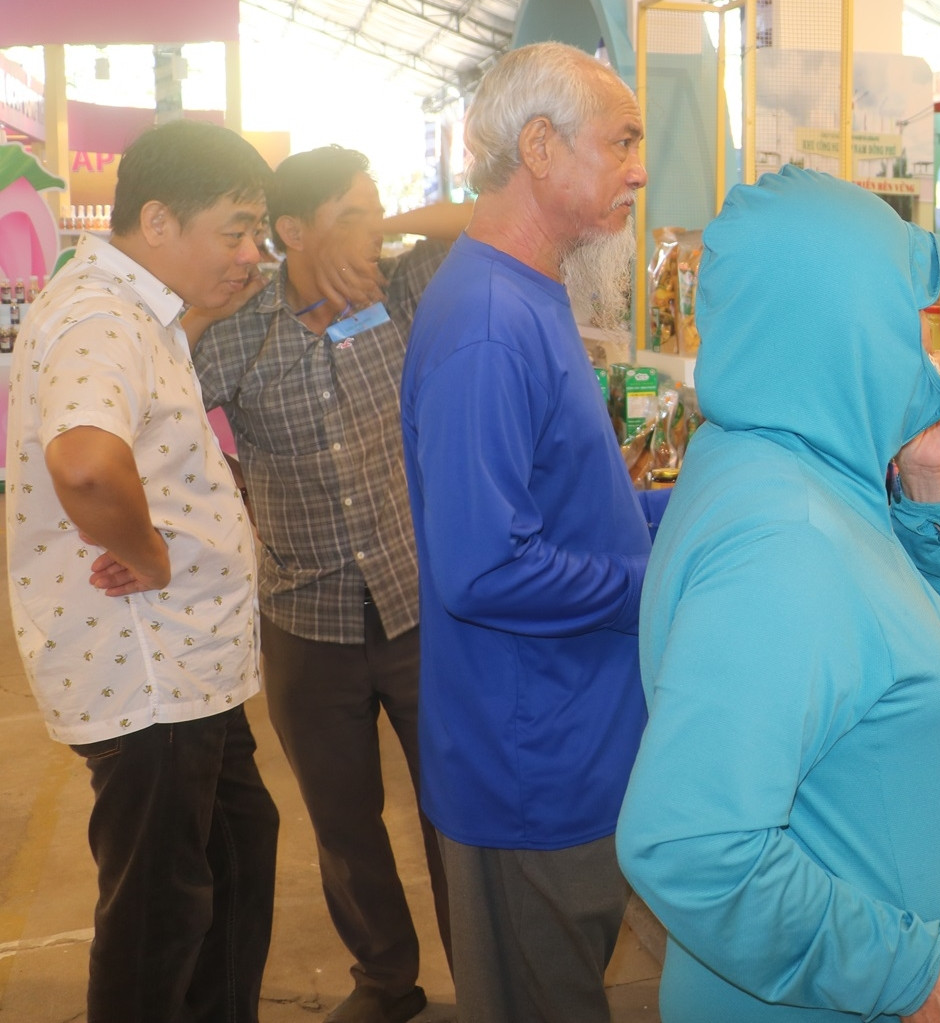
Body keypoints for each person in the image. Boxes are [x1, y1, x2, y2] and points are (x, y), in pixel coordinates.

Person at [617, 167, 940, 1023]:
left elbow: (901, 646)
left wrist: (928, 481)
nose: (921, 343)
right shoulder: (785, 540)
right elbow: (692, 844)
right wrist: (911, 972)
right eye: (903, 317)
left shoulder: (783, 459)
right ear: (847, 328)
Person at [400, 41, 652, 1023]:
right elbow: (484, 567)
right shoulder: (489, 325)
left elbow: (574, 506)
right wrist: (653, 584)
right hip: (528, 769)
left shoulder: (528, 295)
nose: (639, 169)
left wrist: (699, 517)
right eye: (621, 141)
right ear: (539, 147)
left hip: (574, 740)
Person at [5, 119, 278, 1021]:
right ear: (157, 221)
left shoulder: (133, 310)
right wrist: (149, 553)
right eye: (235, 230)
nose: (251, 253)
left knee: (236, 854)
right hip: (149, 671)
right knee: (161, 917)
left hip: (188, 668)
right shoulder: (100, 316)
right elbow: (86, 462)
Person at [191, 146, 471, 1023]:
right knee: (345, 824)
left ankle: (487, 974)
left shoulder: (399, 287)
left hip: (417, 604)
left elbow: (488, 217)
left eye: (376, 210)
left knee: (458, 810)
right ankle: (386, 979)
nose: (370, 229)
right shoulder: (240, 330)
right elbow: (158, 413)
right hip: (305, 620)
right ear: (293, 230)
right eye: (351, 212)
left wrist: (379, 228)